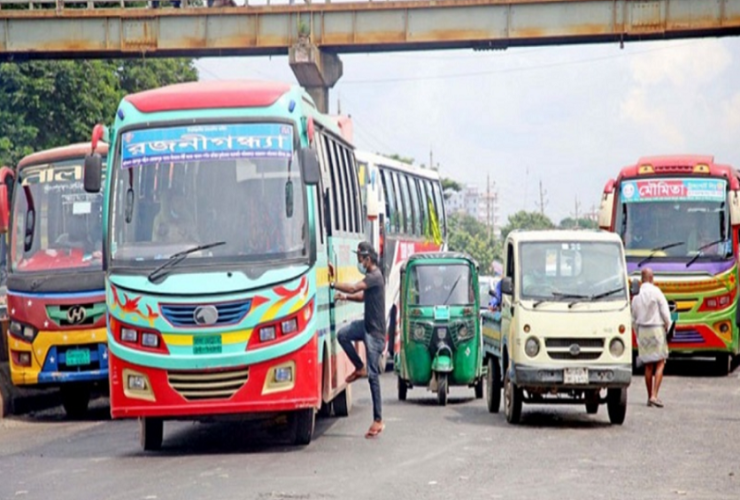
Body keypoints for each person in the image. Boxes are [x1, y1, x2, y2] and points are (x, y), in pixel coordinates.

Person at [330, 241, 386, 439]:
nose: (359, 263)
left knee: (373, 376)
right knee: (342, 335)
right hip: (366, 327)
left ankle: (378, 420)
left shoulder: (375, 276)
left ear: (367, 259)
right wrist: (343, 297)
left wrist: (333, 283)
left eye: (360, 260)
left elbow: (355, 288)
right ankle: (358, 366)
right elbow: (362, 297)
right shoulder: (372, 278)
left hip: (375, 334)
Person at [631, 267, 671, 408]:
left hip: (643, 330)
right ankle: (655, 395)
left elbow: (633, 317)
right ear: (652, 278)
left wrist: (637, 333)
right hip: (656, 329)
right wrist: (668, 325)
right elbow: (665, 313)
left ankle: (649, 396)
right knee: (660, 362)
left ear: (642, 279)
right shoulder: (656, 292)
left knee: (648, 365)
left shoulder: (636, 296)